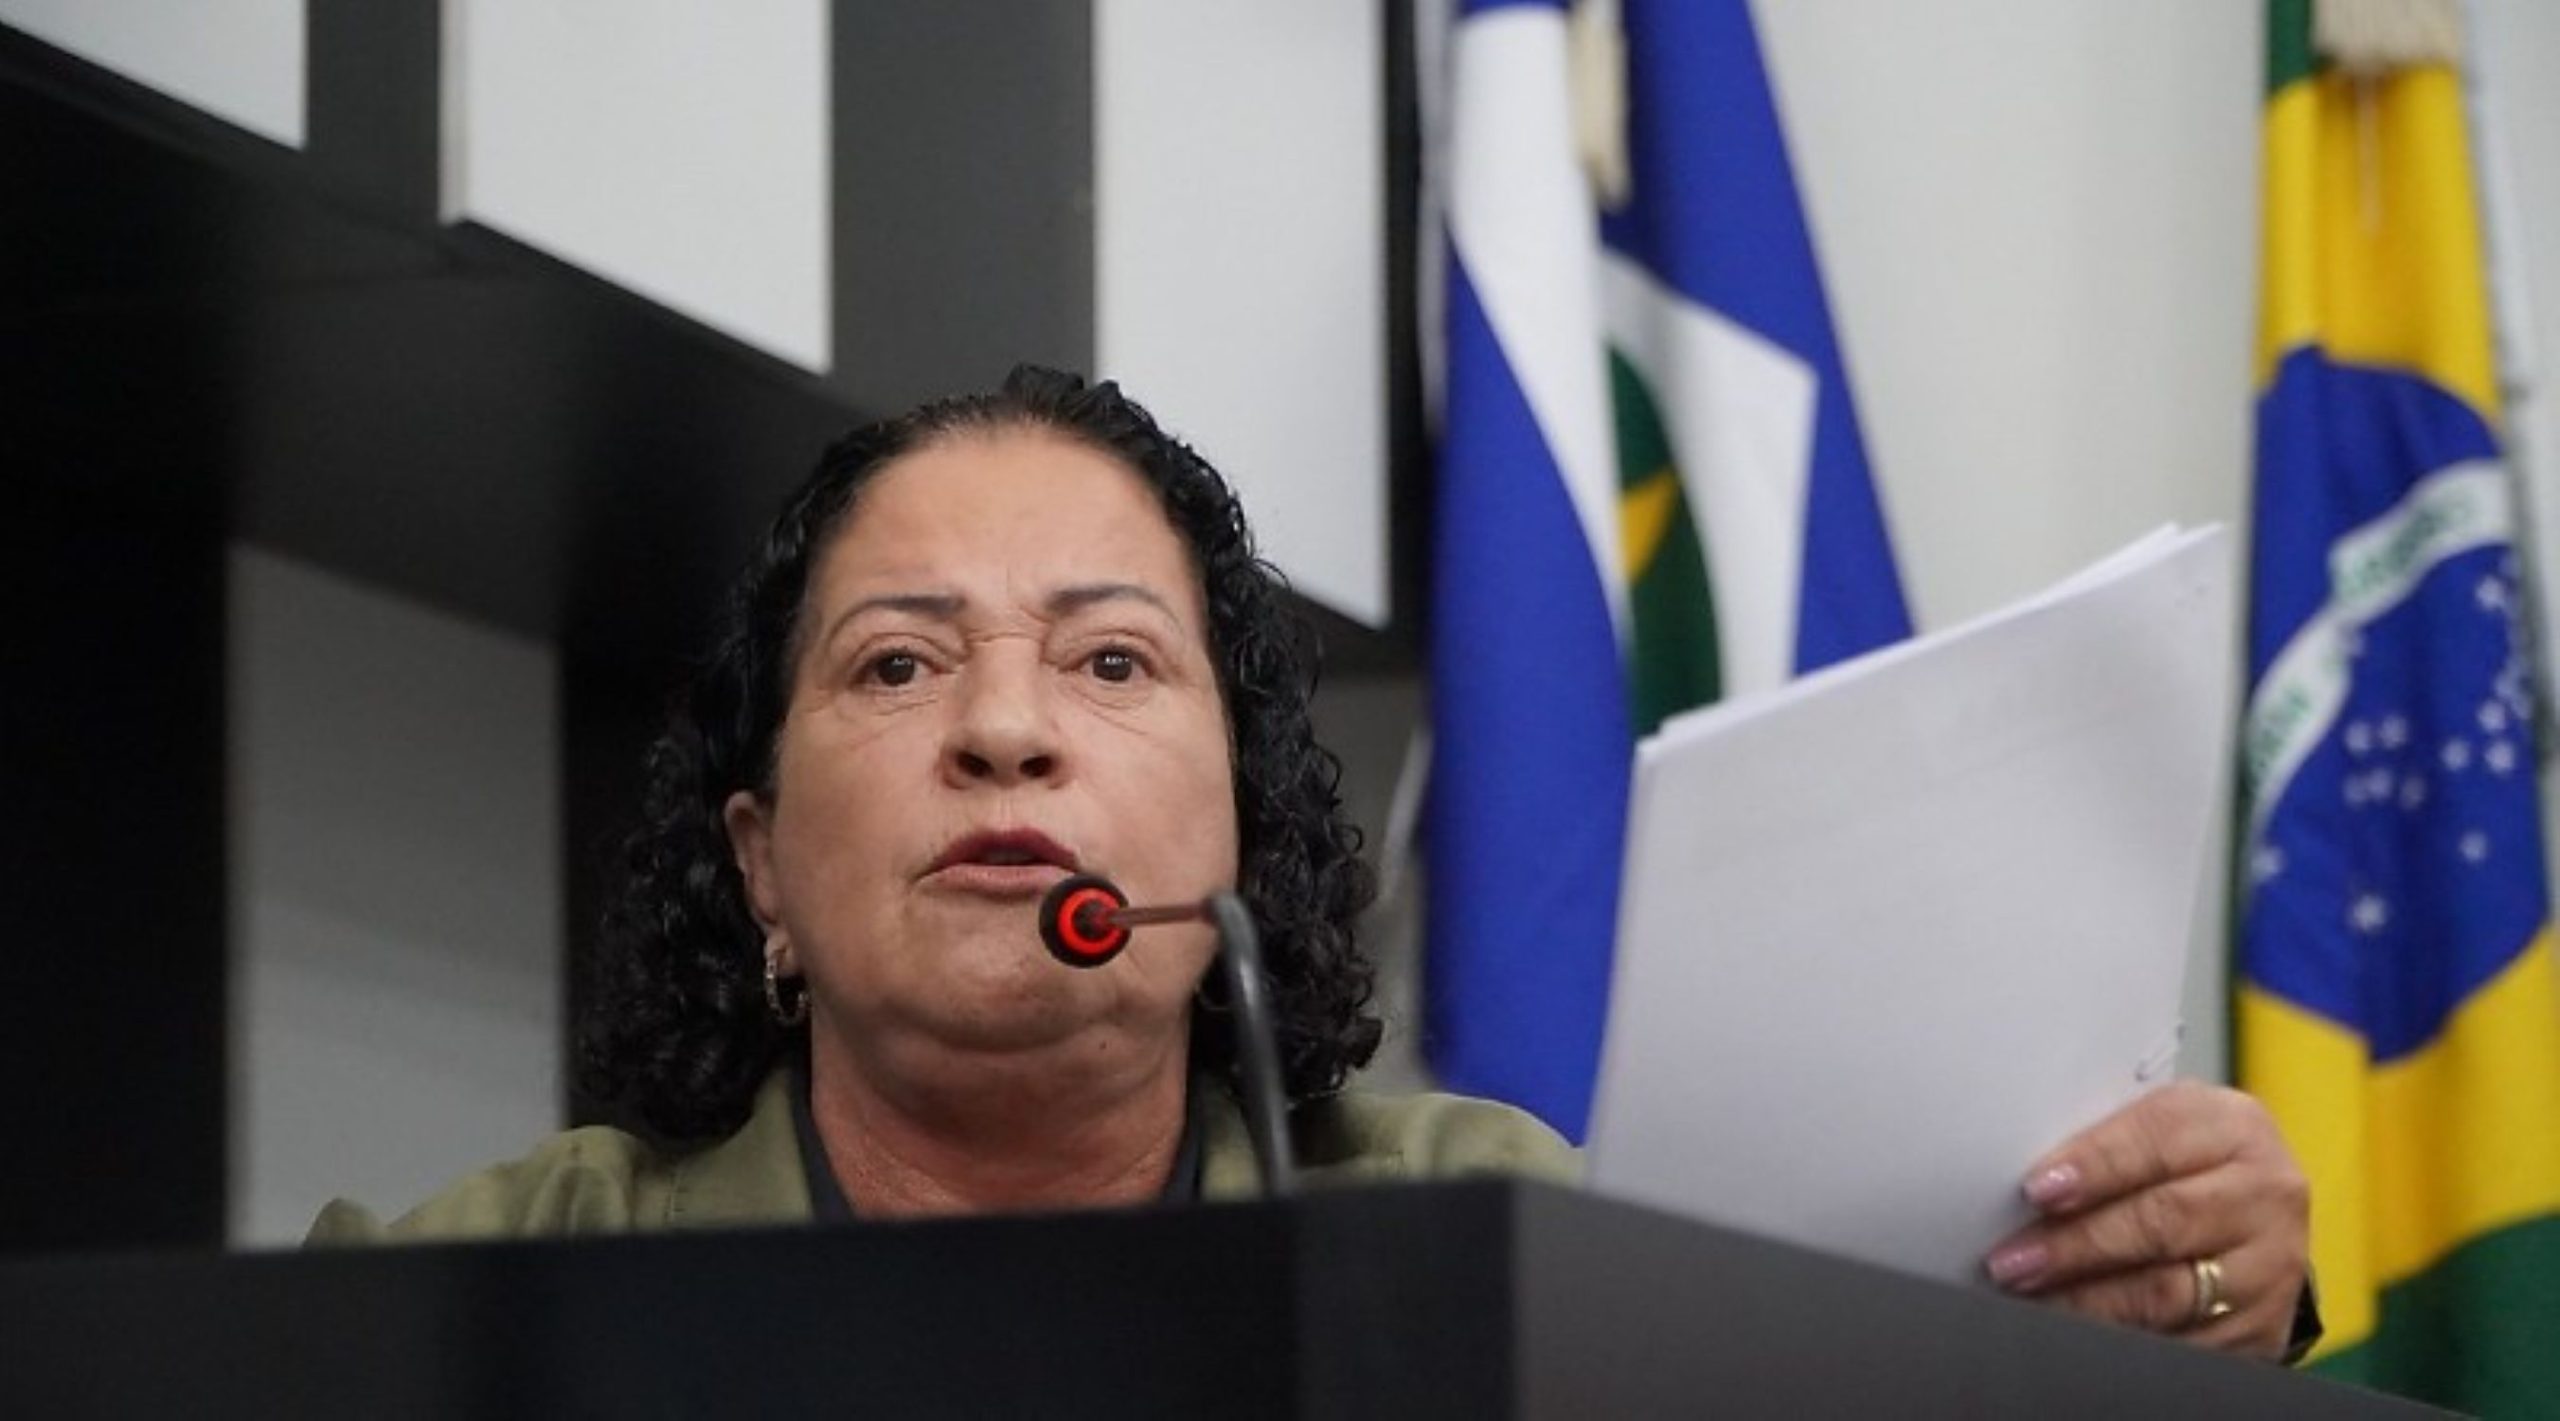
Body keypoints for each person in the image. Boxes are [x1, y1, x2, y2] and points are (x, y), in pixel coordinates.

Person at [310, 367, 2314, 1362]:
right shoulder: (472, 1300)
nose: (1003, 729)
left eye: (1110, 663)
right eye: (899, 664)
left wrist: (2177, 1302)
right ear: (760, 866)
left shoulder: (1497, 1243)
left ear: (1239, 838)